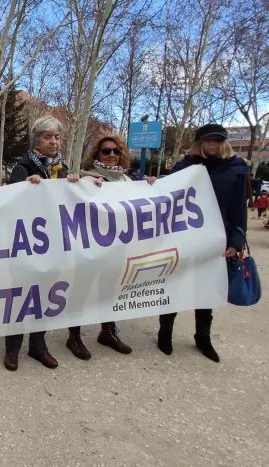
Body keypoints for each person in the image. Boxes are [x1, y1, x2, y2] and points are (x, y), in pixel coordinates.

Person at [157, 124, 247, 363]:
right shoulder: (184, 166)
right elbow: (165, 197)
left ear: (223, 142)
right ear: (199, 142)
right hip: (183, 236)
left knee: (206, 289)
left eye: (217, 140)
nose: (212, 144)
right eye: (208, 140)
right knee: (173, 284)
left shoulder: (236, 167)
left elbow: (239, 206)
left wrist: (237, 239)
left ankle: (203, 337)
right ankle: (165, 332)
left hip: (217, 237)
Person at [3, 116, 79, 371]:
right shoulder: (23, 167)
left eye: (56, 136)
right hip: (24, 244)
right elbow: (11, 202)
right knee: (20, 296)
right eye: (48, 136)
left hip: (52, 244)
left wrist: (80, 186)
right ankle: (12, 348)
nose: (54, 141)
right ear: (37, 140)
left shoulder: (63, 170)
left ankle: (38, 345)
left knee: (45, 295)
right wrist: (26, 187)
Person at [64, 135, 136, 360]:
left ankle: (108, 331)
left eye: (116, 151)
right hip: (89, 247)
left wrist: (153, 185)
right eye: (106, 151)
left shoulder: (127, 182)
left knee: (109, 289)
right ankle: (73, 335)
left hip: (116, 246)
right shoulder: (85, 181)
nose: (112, 155)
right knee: (82, 290)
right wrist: (74, 182)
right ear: (97, 155)